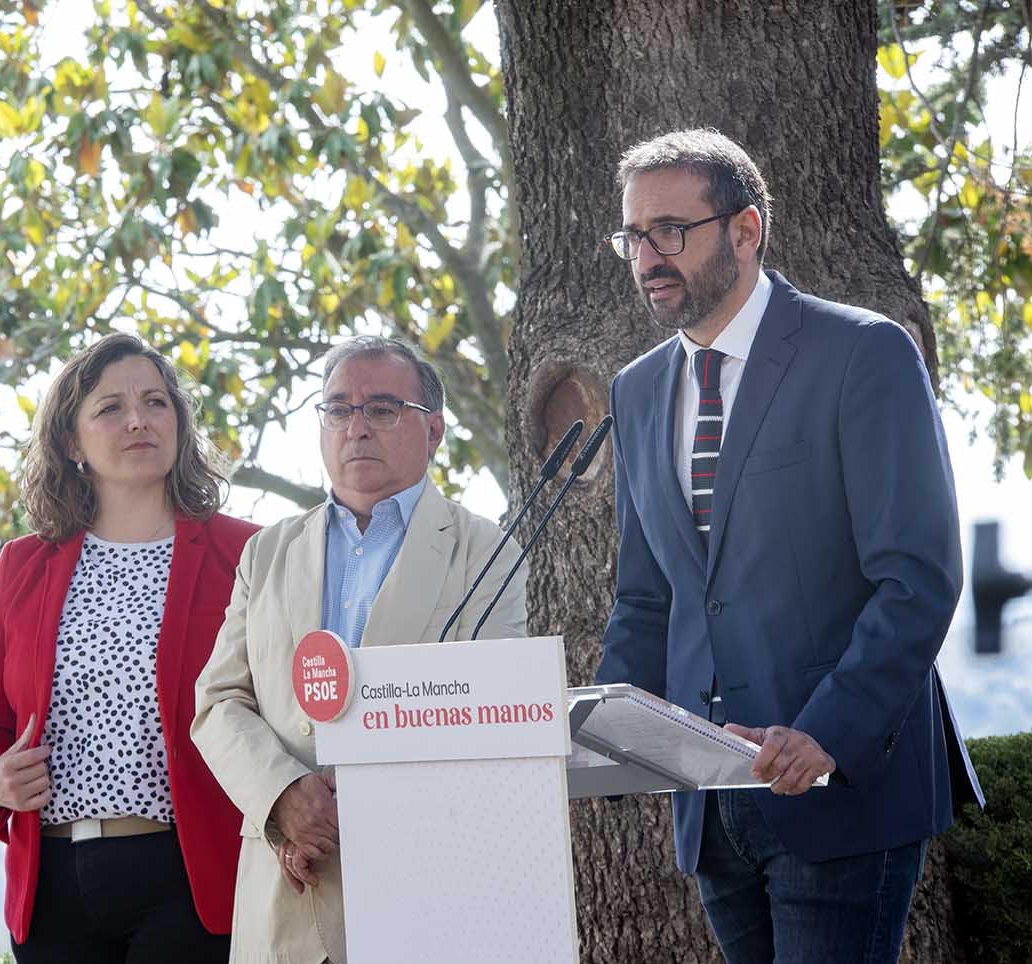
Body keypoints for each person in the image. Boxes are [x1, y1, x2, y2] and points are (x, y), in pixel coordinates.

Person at [595, 128, 983, 964]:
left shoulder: (863, 352)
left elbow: (916, 577)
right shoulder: (635, 390)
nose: (647, 255)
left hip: (836, 783)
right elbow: (647, 595)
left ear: (746, 230)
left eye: (671, 229)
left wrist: (827, 733)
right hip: (711, 806)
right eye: (633, 235)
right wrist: (598, 731)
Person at [192, 335, 527, 964]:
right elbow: (218, 701)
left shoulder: (485, 552)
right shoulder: (267, 553)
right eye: (338, 409)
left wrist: (339, 812)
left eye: (381, 408)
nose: (357, 428)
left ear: (433, 432)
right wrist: (285, 796)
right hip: (286, 895)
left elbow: (488, 717)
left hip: (424, 894)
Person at [0, 333, 257, 963]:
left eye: (156, 402)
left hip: (195, 880)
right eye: (110, 407)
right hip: (52, 885)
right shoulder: (20, 567)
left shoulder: (247, 554)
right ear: (70, 441)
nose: (138, 419)